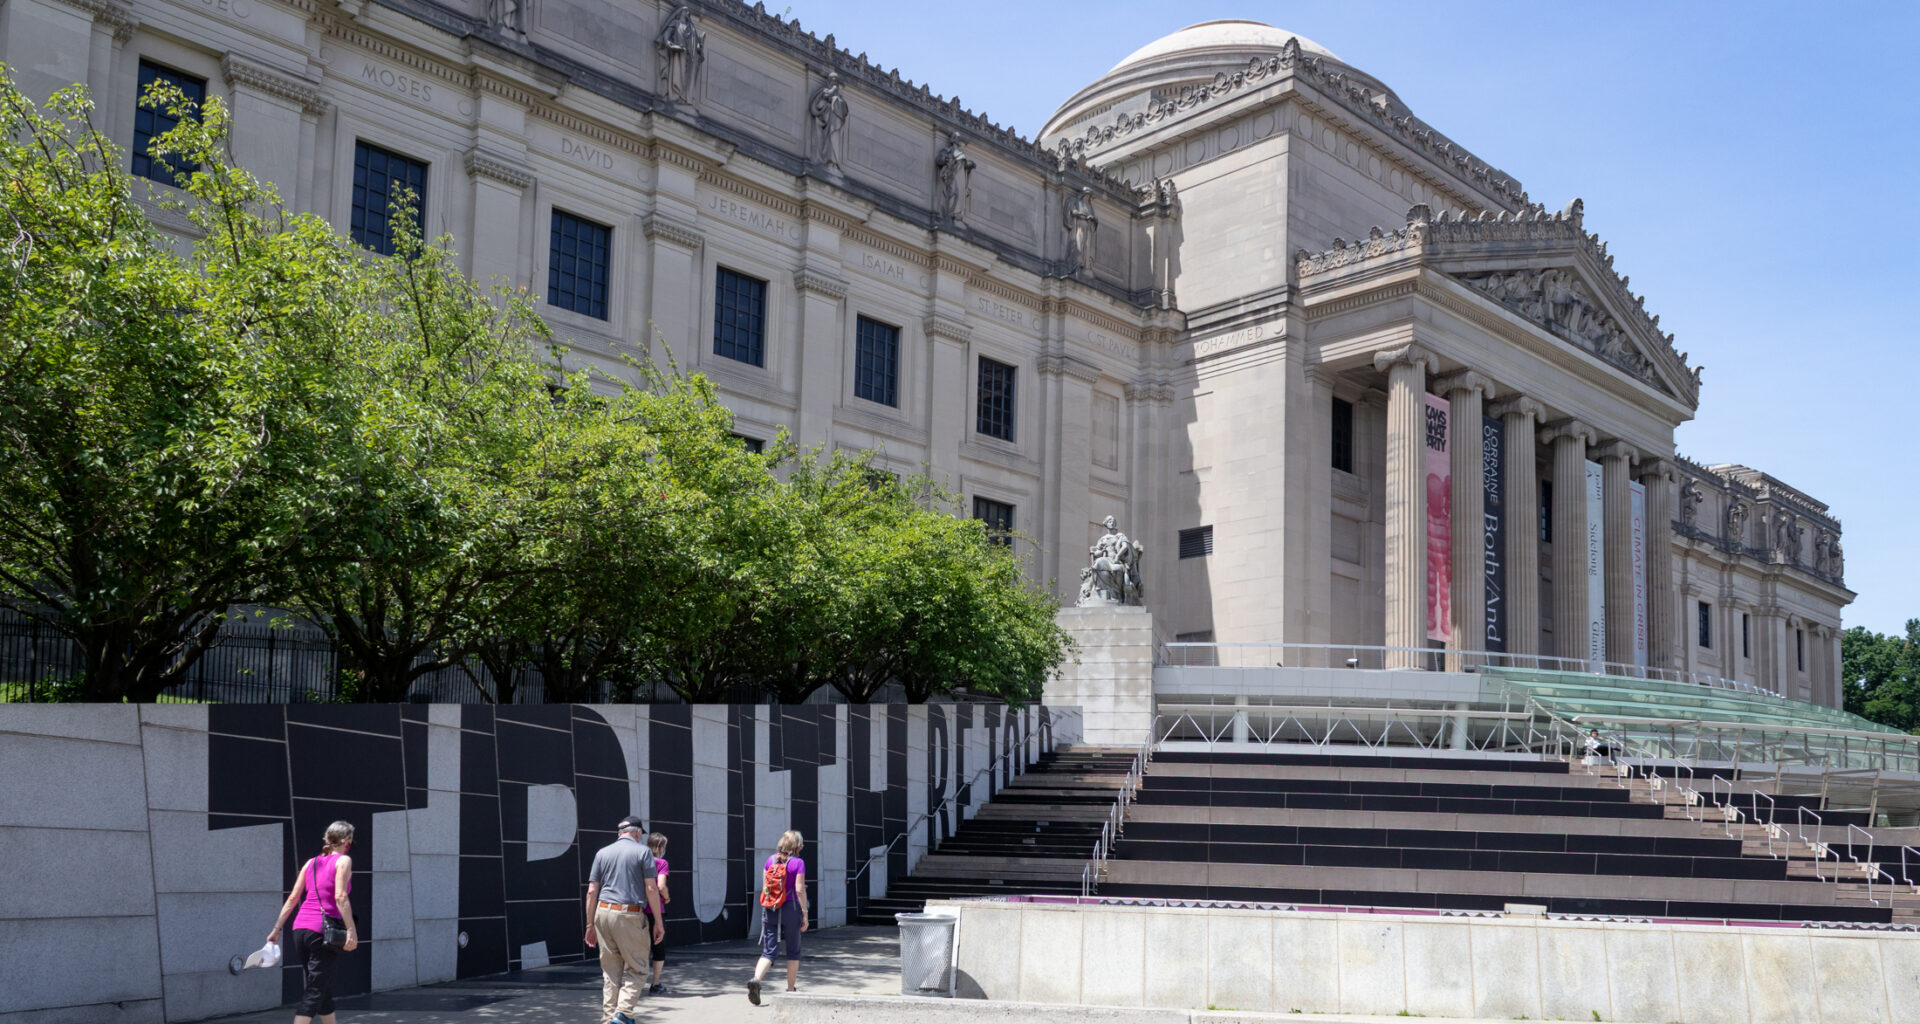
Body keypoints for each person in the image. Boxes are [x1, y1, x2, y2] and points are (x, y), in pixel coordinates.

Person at [266, 821, 359, 1024]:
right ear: (347, 840)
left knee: (320, 985)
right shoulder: (343, 861)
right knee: (315, 989)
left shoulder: (310, 863)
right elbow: (340, 897)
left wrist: (277, 929)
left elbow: (292, 899)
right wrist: (351, 929)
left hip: (300, 929)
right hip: (322, 932)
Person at [585, 816, 665, 1024]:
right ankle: (623, 1014)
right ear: (637, 833)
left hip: (602, 913)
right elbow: (651, 888)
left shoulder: (602, 853)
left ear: (620, 833)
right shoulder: (643, 851)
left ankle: (608, 1018)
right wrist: (658, 921)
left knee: (611, 973)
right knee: (638, 968)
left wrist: (589, 924)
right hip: (629, 914)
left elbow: (592, 891)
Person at [747, 830, 809, 1006]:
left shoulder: (770, 860)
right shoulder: (798, 862)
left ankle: (756, 980)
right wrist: (805, 913)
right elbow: (799, 890)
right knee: (793, 951)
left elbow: (766, 887)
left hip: (771, 908)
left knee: (769, 951)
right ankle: (790, 990)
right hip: (791, 908)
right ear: (798, 846)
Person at [644, 832, 671, 995]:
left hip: (637, 910)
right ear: (660, 847)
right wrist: (666, 898)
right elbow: (660, 886)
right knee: (658, 948)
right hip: (655, 911)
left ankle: (629, 983)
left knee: (636, 948)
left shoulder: (640, 861)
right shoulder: (661, 863)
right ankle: (655, 984)